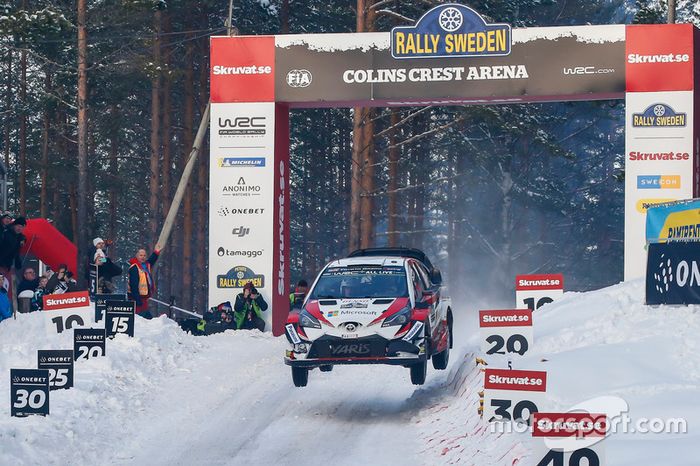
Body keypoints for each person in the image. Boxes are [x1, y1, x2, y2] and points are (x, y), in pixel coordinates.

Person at [128, 248, 160, 319]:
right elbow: (133, 285)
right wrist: (137, 299)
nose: (143, 257)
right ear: (137, 256)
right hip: (137, 298)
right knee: (140, 317)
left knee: (144, 317)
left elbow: (151, 260)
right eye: (141, 255)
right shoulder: (134, 268)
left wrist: (156, 252)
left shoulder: (145, 265)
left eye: (144, 255)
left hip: (144, 297)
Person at [0, 217, 26, 286]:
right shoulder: (6, 233)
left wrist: (18, 262)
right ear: (14, 225)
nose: (19, 228)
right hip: (2, 263)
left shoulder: (18, 236)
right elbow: (11, 249)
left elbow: (16, 252)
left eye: (22, 227)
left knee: (6, 285)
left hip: (7, 265)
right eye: (18, 226)